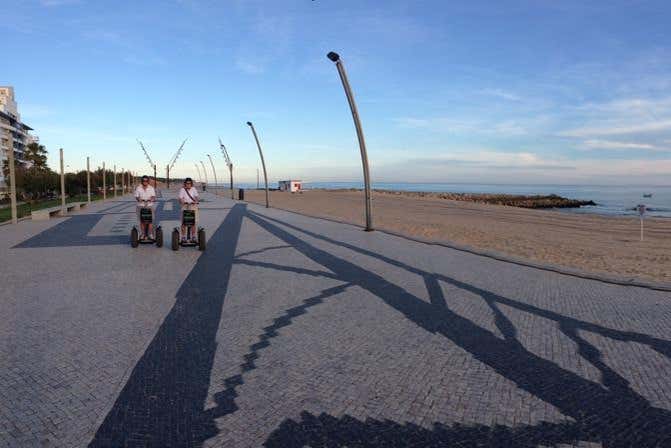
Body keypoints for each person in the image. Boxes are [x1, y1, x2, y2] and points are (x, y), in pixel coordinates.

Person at [178, 177, 199, 242]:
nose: (188, 185)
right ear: (185, 184)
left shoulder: (193, 189)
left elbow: (196, 197)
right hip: (185, 205)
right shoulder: (182, 190)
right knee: (183, 222)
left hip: (193, 206)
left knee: (193, 222)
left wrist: (196, 201)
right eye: (187, 183)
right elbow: (180, 198)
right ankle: (183, 236)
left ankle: (193, 236)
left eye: (189, 183)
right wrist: (182, 201)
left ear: (191, 184)